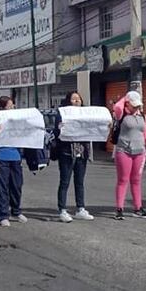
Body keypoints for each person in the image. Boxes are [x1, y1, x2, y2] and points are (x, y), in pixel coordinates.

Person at [111, 90, 146, 220]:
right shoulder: (121, 114)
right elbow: (117, 106)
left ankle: (138, 208)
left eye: (138, 105)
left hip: (140, 152)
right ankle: (119, 209)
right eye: (134, 105)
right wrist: (125, 98)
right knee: (123, 180)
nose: (136, 108)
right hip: (124, 151)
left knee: (136, 180)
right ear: (127, 104)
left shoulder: (142, 116)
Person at [54, 91, 95, 223]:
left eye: (79, 99)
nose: (77, 101)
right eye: (74, 99)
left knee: (80, 182)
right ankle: (62, 210)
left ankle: (80, 208)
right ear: (68, 101)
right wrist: (60, 127)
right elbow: (57, 131)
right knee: (65, 182)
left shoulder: (86, 114)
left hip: (81, 152)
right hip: (66, 152)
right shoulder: (62, 114)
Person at [0, 95, 26, 226]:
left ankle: (16, 210)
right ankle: (3, 215)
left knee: (17, 185)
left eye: (13, 105)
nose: (12, 107)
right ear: (2, 107)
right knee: (2, 187)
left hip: (15, 157)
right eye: (9, 106)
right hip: (2, 157)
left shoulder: (16, 120)